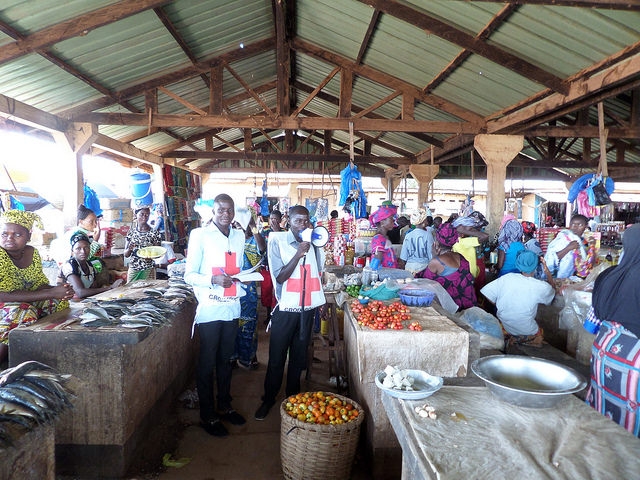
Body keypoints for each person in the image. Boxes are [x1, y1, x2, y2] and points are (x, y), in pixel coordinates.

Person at [184, 194, 247, 437]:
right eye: (221, 209)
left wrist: (244, 278)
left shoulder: (239, 236)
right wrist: (212, 279)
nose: (225, 214)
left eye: (229, 210)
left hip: (232, 306)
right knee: (207, 362)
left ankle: (225, 405)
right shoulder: (200, 235)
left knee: (226, 360)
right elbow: (189, 275)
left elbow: (238, 268)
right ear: (213, 211)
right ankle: (208, 415)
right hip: (210, 308)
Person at [255, 205, 326, 420]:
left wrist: (318, 302)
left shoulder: (315, 244)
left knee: (298, 357)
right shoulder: (277, 241)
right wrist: (298, 254)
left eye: (306, 221)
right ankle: (268, 398)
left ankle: (293, 397)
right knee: (276, 357)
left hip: (306, 310)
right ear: (288, 221)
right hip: (286, 309)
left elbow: (317, 273)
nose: (303, 225)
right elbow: (279, 277)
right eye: (298, 221)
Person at [585, 224, 640, 437]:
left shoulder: (608, 276)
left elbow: (591, 325)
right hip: (635, 362)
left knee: (605, 414)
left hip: (605, 353)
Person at [0, 210, 74, 363]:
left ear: (28, 236)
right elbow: (2, 295)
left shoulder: (32, 253)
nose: (9, 238)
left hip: (24, 301)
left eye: (17, 235)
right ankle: (5, 358)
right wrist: (50, 293)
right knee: (22, 312)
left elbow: (39, 284)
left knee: (58, 303)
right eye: (4, 234)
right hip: (7, 304)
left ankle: (46, 345)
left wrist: (60, 290)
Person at [480, 250, 555, 348]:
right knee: (540, 332)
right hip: (527, 331)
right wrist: (546, 270)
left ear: (518, 264)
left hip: (504, 327)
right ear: (536, 267)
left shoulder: (507, 278)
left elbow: (486, 292)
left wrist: (499, 305)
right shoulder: (541, 286)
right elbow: (552, 291)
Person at [230, 208, 266, 370]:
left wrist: (253, 225)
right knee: (232, 326)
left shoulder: (254, 241)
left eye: (240, 223)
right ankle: (233, 357)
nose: (237, 226)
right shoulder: (228, 241)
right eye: (235, 224)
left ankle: (248, 357)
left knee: (248, 326)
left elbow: (263, 248)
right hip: (230, 292)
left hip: (248, 294)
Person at [421, 222, 476, 310]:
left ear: (437, 241)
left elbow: (425, 283)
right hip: (465, 304)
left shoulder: (436, 261)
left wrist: (434, 256)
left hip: (449, 307)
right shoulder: (460, 257)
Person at [58, 233, 116, 299]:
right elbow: (80, 293)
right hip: (71, 303)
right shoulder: (69, 266)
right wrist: (110, 288)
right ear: (72, 251)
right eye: (78, 248)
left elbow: (93, 288)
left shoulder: (89, 266)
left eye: (86, 248)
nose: (83, 251)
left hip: (84, 301)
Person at [543, 214, 595, 279]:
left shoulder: (582, 241)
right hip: (558, 280)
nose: (575, 227)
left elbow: (587, 263)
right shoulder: (563, 238)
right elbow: (550, 259)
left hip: (572, 280)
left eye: (580, 225)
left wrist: (592, 246)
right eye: (573, 224)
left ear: (586, 227)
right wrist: (568, 248)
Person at [124, 206, 163, 282]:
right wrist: (129, 249)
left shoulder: (154, 233)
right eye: (142, 214)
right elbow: (126, 254)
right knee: (130, 290)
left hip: (149, 268)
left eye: (147, 215)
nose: (144, 217)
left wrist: (151, 256)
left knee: (148, 291)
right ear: (136, 215)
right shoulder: (131, 232)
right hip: (134, 268)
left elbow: (159, 252)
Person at [398, 209, 433, 275]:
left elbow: (403, 256)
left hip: (409, 268)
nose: (427, 222)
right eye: (426, 220)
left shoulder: (408, 235)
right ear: (423, 222)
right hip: (423, 268)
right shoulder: (428, 235)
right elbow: (431, 255)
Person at [369, 202, 398, 269]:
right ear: (382, 222)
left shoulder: (385, 237)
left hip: (389, 274)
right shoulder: (378, 238)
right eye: (391, 219)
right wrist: (372, 273)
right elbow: (377, 258)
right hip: (384, 275)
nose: (393, 222)